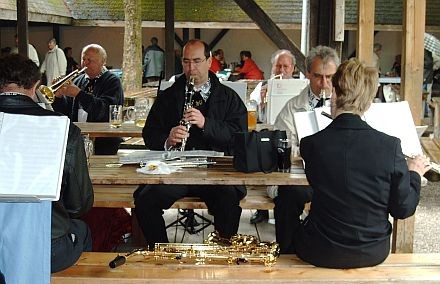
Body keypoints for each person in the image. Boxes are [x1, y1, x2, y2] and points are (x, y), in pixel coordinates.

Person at [293, 58, 431, 268]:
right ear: (368, 103)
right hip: (372, 251)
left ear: (335, 94)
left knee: (289, 215)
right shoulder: (390, 147)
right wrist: (414, 173)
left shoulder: (311, 145)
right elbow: (402, 209)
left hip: (320, 249)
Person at [134, 39, 247, 249]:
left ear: (209, 61)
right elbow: (149, 134)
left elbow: (240, 137)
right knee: (145, 200)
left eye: (197, 61)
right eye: (186, 62)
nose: (191, 68)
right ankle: (162, 252)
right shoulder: (168, 96)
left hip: (215, 171)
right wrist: (168, 139)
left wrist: (206, 124)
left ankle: (221, 255)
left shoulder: (228, 97)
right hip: (176, 170)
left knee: (229, 202)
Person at [0, 54, 93, 272]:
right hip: (45, 244)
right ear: (36, 85)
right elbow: (78, 205)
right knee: (82, 229)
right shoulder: (63, 128)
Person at [269, 46, 340, 253]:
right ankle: (288, 252)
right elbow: (281, 147)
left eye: (330, 77)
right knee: (288, 196)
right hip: (302, 177)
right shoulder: (292, 107)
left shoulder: (345, 106)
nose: (324, 84)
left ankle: (335, 251)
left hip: (336, 176)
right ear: (308, 73)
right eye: (318, 76)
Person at [249, 49, 296, 224]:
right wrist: (261, 103)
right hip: (266, 135)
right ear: (272, 67)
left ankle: (288, 206)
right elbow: (253, 115)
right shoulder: (262, 87)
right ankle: (261, 211)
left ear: (292, 68)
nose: (281, 70)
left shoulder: (300, 88)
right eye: (278, 66)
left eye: (285, 66)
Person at [53, 43, 124, 155]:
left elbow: (105, 110)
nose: (85, 63)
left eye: (90, 60)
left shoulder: (112, 81)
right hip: (78, 139)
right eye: (83, 59)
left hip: (104, 142)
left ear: (103, 62)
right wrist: (58, 97)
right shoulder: (78, 80)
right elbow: (65, 113)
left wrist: (78, 94)